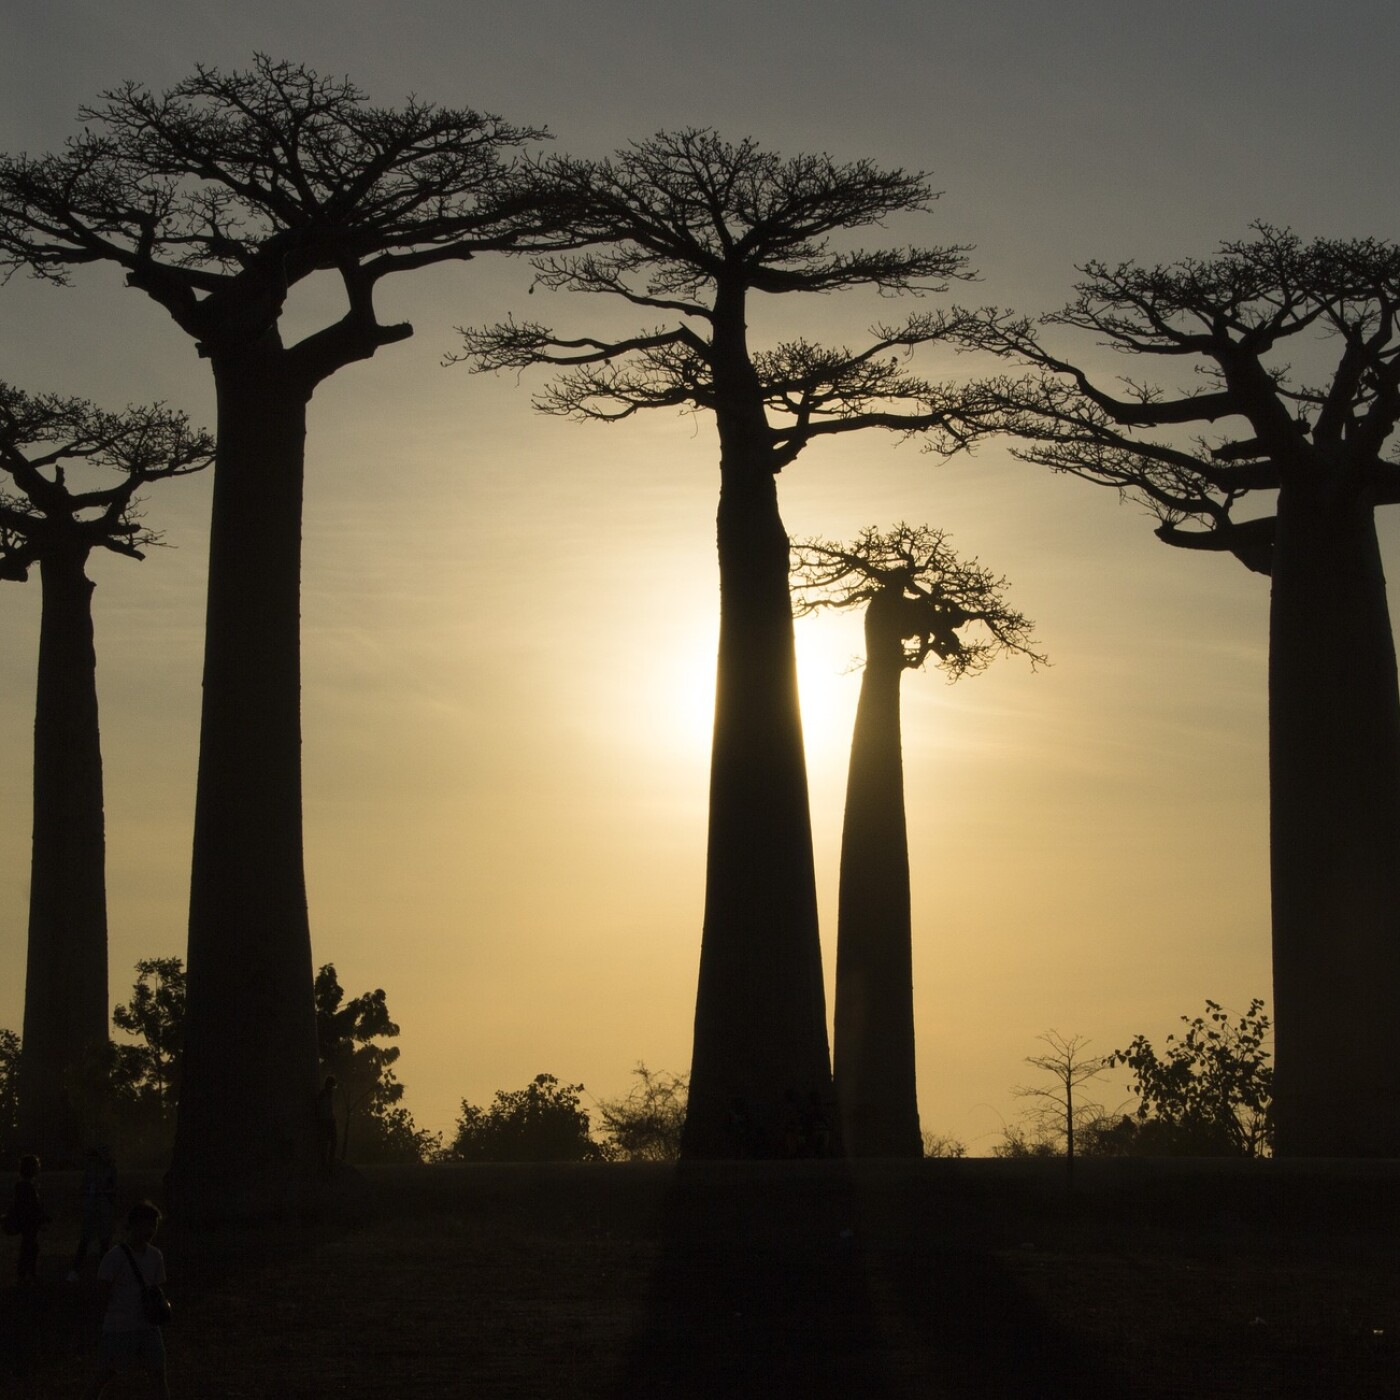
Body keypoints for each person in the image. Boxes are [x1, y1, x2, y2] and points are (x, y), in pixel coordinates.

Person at [84, 1200, 169, 1400]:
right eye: (146, 1225)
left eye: (153, 1225)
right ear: (133, 1225)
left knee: (158, 1375)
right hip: (120, 1326)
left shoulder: (155, 1255)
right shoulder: (114, 1257)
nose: (150, 1230)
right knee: (104, 1375)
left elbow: (157, 1288)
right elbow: (102, 1294)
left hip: (147, 1326)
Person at [67, 1145, 118, 1281]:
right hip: (93, 1208)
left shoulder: (108, 1170)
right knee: (87, 1239)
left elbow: (113, 1189)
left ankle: (103, 1272)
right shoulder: (91, 1170)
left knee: (103, 1241)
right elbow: (83, 1187)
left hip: (102, 1207)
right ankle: (76, 1270)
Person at [9, 1154, 47, 1284]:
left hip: (27, 1221)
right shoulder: (27, 1187)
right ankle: (26, 1273)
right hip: (29, 1221)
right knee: (29, 1246)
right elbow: (31, 1207)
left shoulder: (23, 1186)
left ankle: (26, 1272)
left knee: (29, 1246)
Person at [317, 1075, 339, 1172]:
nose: (333, 1088)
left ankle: (329, 1162)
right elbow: (321, 1109)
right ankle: (325, 1163)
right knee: (325, 1143)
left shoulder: (329, 1095)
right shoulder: (323, 1095)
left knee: (333, 1142)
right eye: (332, 1086)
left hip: (329, 1121)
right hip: (325, 1121)